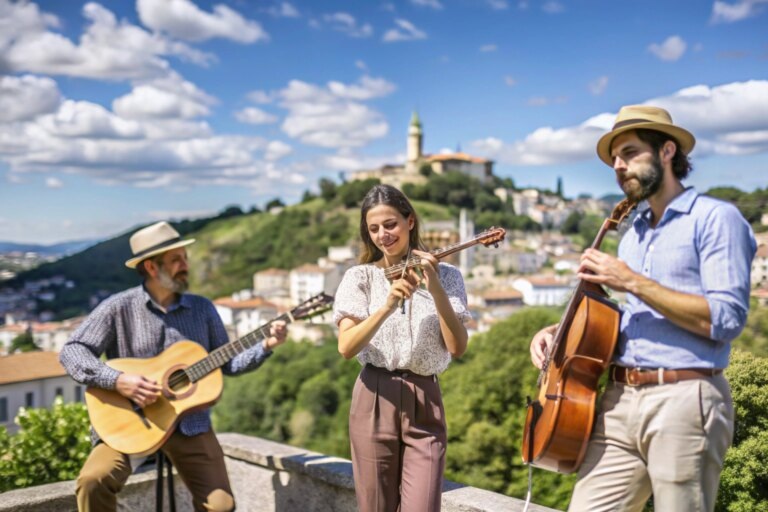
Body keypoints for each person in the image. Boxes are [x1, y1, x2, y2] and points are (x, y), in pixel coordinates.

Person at [530, 105, 757, 511]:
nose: (618, 166)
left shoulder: (716, 218)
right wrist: (559, 333)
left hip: (686, 397)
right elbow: (628, 316)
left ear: (667, 151)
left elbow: (726, 319)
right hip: (618, 400)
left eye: (630, 153)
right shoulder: (632, 232)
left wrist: (630, 280)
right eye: (614, 159)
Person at [59, 221, 287, 512]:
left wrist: (266, 345)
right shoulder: (118, 307)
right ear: (152, 268)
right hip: (130, 423)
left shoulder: (202, 309)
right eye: (176, 259)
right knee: (93, 481)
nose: (185, 265)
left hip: (189, 426)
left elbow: (227, 363)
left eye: (185, 258)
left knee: (221, 506)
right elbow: (72, 351)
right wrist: (117, 380)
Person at [333, 184, 470, 512]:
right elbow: (347, 347)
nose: (383, 235)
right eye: (374, 228)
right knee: (376, 507)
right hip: (374, 395)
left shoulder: (449, 276)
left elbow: (457, 346)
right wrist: (387, 306)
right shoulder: (360, 278)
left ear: (410, 221)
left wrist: (435, 287)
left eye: (390, 224)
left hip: (425, 397)